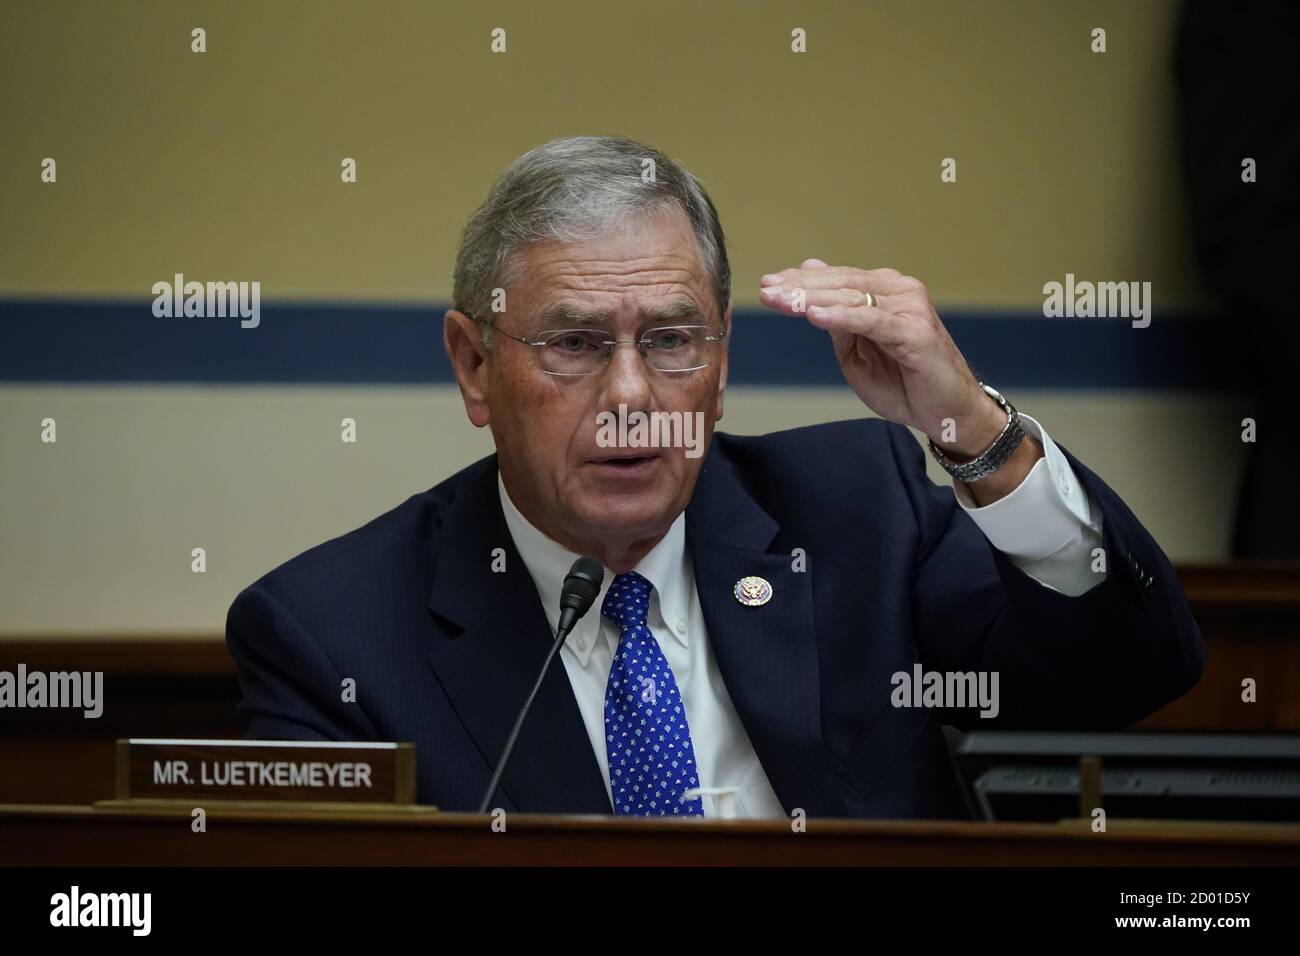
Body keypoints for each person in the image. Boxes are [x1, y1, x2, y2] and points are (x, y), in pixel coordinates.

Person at [226, 135, 1203, 819]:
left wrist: (973, 429)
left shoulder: (860, 514)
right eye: (572, 343)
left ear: (723, 362)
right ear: (474, 365)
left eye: (671, 340)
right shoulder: (331, 631)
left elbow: (1126, 669)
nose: (630, 394)